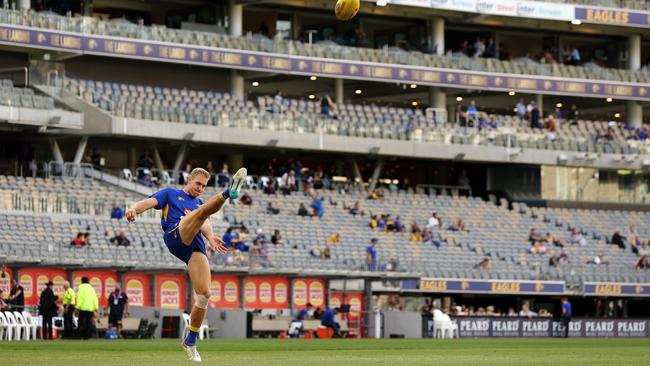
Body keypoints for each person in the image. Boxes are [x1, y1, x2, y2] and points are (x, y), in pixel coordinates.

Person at [126, 167, 246, 362]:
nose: (200, 188)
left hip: (193, 243)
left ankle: (190, 341)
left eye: (204, 186)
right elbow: (148, 202)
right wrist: (133, 210)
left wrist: (210, 238)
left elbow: (204, 221)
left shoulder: (198, 203)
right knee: (199, 213)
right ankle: (228, 193)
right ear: (189, 180)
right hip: (175, 234)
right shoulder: (170, 194)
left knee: (205, 295)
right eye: (198, 183)